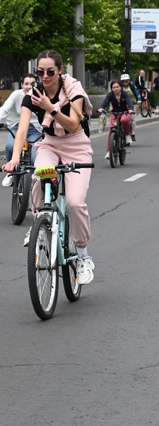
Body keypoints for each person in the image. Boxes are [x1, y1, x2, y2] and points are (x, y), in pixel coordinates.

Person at [1, 50, 95, 283]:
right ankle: (41, 226)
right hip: (49, 144)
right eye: (40, 72)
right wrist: (13, 160)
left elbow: (74, 125)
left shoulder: (73, 89)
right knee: (40, 173)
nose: (44, 76)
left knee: (74, 202)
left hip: (76, 145)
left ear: (60, 70)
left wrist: (50, 107)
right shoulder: (33, 94)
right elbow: (22, 130)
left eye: (50, 71)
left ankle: (83, 255)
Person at [1, 73, 43, 187]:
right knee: (10, 146)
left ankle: (35, 180)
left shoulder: (41, 95)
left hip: (35, 129)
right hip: (16, 126)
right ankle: (11, 172)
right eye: (26, 84)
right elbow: (4, 110)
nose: (29, 86)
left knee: (35, 155)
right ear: (22, 85)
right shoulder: (16, 95)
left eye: (32, 84)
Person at [98, 79, 135, 159]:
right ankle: (108, 151)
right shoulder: (110, 95)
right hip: (114, 113)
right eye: (114, 87)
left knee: (124, 120)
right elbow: (105, 102)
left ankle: (127, 135)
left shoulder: (125, 94)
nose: (116, 89)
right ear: (112, 88)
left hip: (124, 112)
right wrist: (101, 108)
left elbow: (129, 102)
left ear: (120, 87)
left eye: (117, 87)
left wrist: (131, 109)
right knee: (112, 130)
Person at [120, 74, 141, 141]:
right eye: (123, 81)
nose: (125, 83)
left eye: (126, 81)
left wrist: (139, 100)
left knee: (132, 119)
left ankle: (133, 133)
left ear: (129, 81)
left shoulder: (132, 86)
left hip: (132, 103)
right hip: (123, 104)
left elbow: (137, 93)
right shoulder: (120, 87)